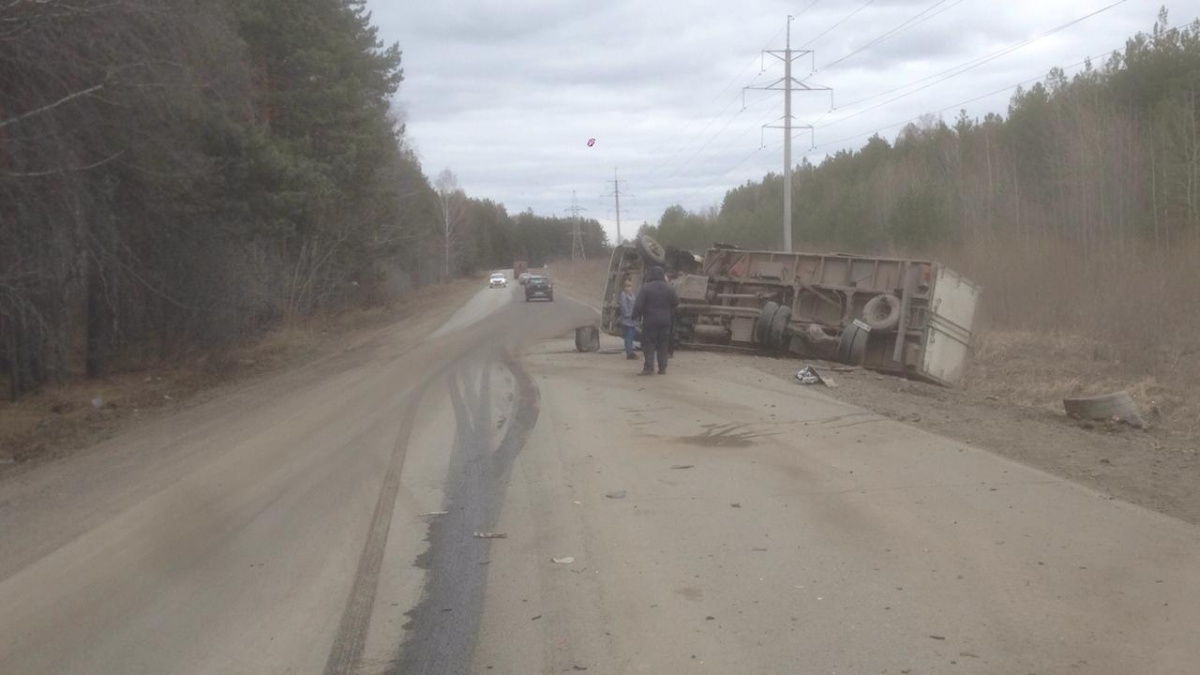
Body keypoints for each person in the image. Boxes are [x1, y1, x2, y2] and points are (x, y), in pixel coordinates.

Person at [632, 265, 679, 375]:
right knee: (663, 344)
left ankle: (649, 368)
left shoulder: (646, 287)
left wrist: (635, 315)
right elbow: (676, 302)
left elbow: (638, 304)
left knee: (649, 343)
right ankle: (662, 368)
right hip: (665, 321)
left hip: (650, 321)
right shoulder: (669, 288)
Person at [619, 279, 638, 359]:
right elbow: (624, 307)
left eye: (630, 286)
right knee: (628, 335)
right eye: (627, 286)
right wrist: (628, 315)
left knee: (631, 335)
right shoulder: (623, 295)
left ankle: (630, 351)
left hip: (633, 319)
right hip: (627, 319)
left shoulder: (632, 295)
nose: (628, 288)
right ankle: (629, 352)